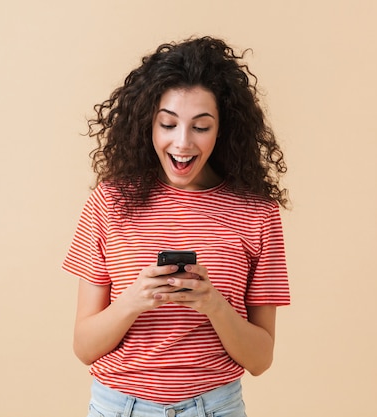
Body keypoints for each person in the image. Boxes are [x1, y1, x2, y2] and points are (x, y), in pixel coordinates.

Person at [62, 36, 290, 417]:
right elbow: (84, 347)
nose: (182, 143)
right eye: (168, 124)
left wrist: (214, 305)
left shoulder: (257, 213)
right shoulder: (110, 200)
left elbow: (261, 359)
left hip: (216, 408)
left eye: (201, 127)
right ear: (147, 124)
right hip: (118, 408)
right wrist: (134, 300)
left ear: (223, 129)